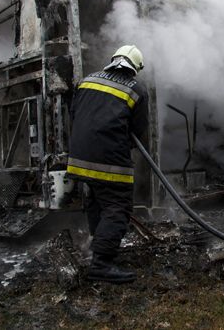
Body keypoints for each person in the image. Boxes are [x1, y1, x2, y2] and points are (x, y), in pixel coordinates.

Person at [66, 45, 149, 283]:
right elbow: (138, 130)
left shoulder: (88, 80)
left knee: (96, 201)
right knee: (117, 207)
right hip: (109, 160)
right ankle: (101, 264)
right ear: (135, 68)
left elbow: (74, 114)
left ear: (113, 60)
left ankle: (98, 246)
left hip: (79, 157)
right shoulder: (136, 89)